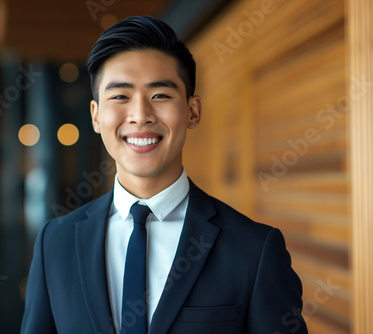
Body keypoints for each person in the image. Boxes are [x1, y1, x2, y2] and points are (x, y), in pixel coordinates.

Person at [21, 16, 308, 334]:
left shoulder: (255, 250)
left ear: (193, 111)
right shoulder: (56, 243)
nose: (141, 115)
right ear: (96, 116)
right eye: (120, 96)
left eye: (160, 95)